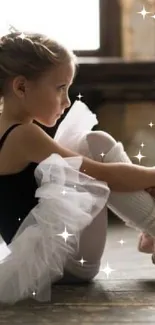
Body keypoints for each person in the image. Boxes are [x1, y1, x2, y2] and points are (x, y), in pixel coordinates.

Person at [0, 31, 155, 304]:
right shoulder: (24, 136)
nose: (67, 101)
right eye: (60, 88)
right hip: (67, 262)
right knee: (98, 145)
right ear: (21, 87)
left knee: (89, 145)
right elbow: (105, 175)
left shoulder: (11, 129)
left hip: (55, 256)